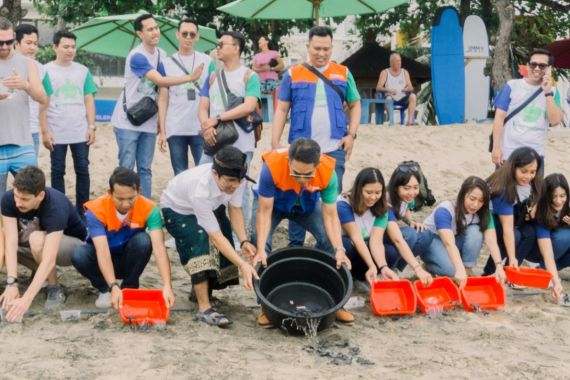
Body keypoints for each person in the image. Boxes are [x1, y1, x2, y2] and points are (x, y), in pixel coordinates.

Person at [271, 25, 361, 247]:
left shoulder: (343, 73)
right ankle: (295, 245)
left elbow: (356, 104)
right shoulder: (292, 74)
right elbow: (282, 109)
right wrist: (275, 143)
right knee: (297, 196)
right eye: (317, 48)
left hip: (334, 147)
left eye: (326, 49)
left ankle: (326, 245)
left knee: (332, 196)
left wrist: (352, 135)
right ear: (307, 46)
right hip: (300, 149)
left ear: (332, 48)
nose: (321, 53)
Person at [251, 138, 353, 325]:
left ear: (317, 165)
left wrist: (339, 248)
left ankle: (336, 304)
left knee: (332, 243)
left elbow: (330, 215)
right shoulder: (272, 166)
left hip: (306, 204)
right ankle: (265, 307)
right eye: (296, 173)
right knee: (260, 244)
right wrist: (259, 248)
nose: (301, 179)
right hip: (274, 204)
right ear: (288, 161)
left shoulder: (329, 173)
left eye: (308, 175)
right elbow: (264, 212)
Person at [161, 146, 258, 327]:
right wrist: (243, 264)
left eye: (238, 181)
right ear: (215, 174)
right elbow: (214, 236)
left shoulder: (237, 179)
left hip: (213, 205)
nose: (235, 185)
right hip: (178, 210)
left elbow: (235, 209)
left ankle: (199, 293)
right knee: (200, 243)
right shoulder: (200, 189)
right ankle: (203, 308)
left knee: (227, 237)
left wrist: (244, 240)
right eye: (230, 181)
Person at [112, 13, 204, 198]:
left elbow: (163, 93)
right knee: (126, 168)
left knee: (145, 168)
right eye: (149, 29)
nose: (155, 32)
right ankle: (122, 206)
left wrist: (162, 126)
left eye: (156, 28)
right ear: (140, 34)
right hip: (127, 119)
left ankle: (144, 208)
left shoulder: (162, 54)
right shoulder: (137, 56)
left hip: (148, 119)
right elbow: (161, 81)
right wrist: (191, 78)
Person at [71, 167, 175, 309]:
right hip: (102, 258)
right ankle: (105, 289)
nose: (126, 204)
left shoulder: (150, 209)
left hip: (128, 257)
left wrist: (167, 286)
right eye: (120, 199)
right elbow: (102, 251)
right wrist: (112, 286)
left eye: (131, 198)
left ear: (139, 192)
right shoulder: (96, 210)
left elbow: (159, 248)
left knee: (144, 241)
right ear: (110, 193)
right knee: (78, 254)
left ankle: (129, 287)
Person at [0, 166, 87, 322]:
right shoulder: (9, 199)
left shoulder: (55, 205)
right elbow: (11, 242)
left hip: (73, 247)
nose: (18, 203)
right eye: (16, 196)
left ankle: (54, 287)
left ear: (40, 196)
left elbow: (49, 260)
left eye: (24, 199)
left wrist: (26, 300)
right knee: (3, 234)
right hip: (41, 242)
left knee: (37, 239)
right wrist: (12, 282)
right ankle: (38, 277)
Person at [198, 30, 261, 228]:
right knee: (202, 181)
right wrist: (206, 127)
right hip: (214, 139)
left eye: (222, 44)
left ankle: (238, 236)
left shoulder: (249, 76)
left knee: (238, 189)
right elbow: (202, 107)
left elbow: (249, 106)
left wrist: (216, 119)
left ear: (236, 48)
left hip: (240, 142)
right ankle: (204, 230)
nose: (217, 47)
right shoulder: (211, 77)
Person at [337, 167, 432, 289]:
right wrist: (372, 266)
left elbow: (376, 241)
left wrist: (383, 267)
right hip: (349, 250)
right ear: (359, 189)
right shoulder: (344, 204)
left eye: (378, 193)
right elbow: (357, 239)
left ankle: (368, 277)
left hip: (367, 248)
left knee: (391, 252)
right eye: (369, 192)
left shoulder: (382, 207)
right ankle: (348, 277)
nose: (373, 197)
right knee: (346, 244)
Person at [44, 31, 96, 217]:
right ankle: (60, 209)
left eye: (73, 47)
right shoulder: (46, 71)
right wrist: (45, 131)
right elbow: (42, 103)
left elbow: (89, 99)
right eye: (65, 46)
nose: (70, 50)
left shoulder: (82, 71)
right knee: (57, 170)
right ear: (55, 47)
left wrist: (91, 126)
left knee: (82, 169)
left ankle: (83, 210)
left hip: (80, 131)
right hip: (56, 131)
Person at [422, 176, 506, 287]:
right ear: (463, 194)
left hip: (454, 237)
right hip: (432, 240)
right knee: (452, 270)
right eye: (472, 199)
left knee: (476, 232)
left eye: (481, 201)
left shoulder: (483, 212)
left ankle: (467, 270)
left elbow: (491, 241)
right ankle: (429, 265)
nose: (475, 205)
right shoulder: (445, 209)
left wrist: (499, 266)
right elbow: (449, 244)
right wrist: (458, 269)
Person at [158, 18, 215, 175]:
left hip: (200, 127)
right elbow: (163, 98)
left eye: (192, 34)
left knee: (203, 172)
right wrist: (162, 130)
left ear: (197, 36)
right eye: (185, 34)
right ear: (178, 35)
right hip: (175, 126)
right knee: (180, 173)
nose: (188, 37)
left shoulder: (207, 61)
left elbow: (214, 94)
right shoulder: (166, 63)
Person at [491, 48, 563, 170]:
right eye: (533, 64)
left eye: (542, 66)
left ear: (549, 68)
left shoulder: (553, 92)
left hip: (535, 156)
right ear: (527, 65)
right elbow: (499, 119)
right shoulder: (512, 86)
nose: (536, 68)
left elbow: (555, 121)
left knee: (534, 190)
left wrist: (548, 92)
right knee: (503, 189)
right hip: (508, 154)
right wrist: (496, 147)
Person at [0, 17, 47, 198]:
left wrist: (26, 85)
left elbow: (42, 98)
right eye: (0, 42)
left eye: (8, 42)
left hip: (22, 143)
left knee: (33, 196)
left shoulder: (27, 63)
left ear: (14, 37)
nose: (4, 46)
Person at [482, 146, 542, 276]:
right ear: (513, 167)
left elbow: (539, 194)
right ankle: (490, 272)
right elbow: (507, 230)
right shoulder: (503, 188)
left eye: (533, 172)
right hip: (488, 217)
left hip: (508, 214)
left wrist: (535, 204)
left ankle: (512, 270)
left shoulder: (530, 182)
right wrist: (512, 255)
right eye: (524, 171)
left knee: (530, 233)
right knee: (515, 235)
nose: (528, 176)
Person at [14, 23, 53, 157]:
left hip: (31, 132)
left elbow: (46, 99)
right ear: (16, 43)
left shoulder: (41, 69)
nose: (32, 47)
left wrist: (43, 129)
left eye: (35, 44)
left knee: (29, 176)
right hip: (6, 131)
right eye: (28, 43)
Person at [386, 164, 434, 262]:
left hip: (391, 232)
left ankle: (397, 269)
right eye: (406, 188)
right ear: (395, 187)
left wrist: (411, 221)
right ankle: (387, 269)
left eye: (416, 187)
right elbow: (397, 239)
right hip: (376, 238)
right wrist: (417, 267)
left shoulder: (407, 198)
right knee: (410, 235)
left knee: (426, 233)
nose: (412, 193)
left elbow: (406, 209)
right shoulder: (387, 202)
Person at [534, 173, 569, 301]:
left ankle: (553, 270)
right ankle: (544, 269)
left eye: (562, 196)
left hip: (559, 252)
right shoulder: (542, 212)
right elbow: (548, 253)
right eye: (554, 196)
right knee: (564, 236)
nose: (559, 201)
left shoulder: (567, 207)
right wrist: (556, 283)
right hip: (540, 250)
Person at [375, 52, 416, 125]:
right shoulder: (385, 72)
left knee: (413, 96)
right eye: (397, 61)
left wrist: (406, 89)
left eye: (400, 60)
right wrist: (389, 90)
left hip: (403, 98)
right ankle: (391, 121)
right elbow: (378, 87)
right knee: (388, 99)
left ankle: (410, 122)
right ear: (391, 62)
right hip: (390, 97)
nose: (399, 63)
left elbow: (411, 87)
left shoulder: (405, 72)